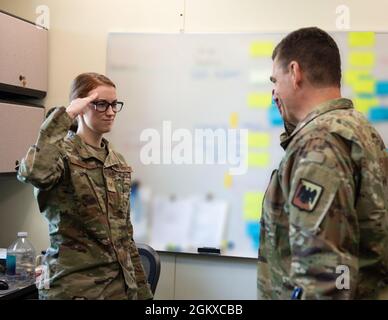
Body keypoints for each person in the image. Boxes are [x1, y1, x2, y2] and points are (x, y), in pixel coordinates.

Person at [257, 27, 388, 300]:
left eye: (275, 80)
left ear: (295, 72)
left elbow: (325, 277)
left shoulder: (319, 145)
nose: (273, 93)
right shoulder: (361, 129)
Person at [17, 72, 153, 300]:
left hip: (119, 289)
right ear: (81, 107)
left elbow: (124, 236)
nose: (110, 112)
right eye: (101, 104)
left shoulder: (116, 161)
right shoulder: (61, 154)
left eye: (113, 105)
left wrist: (142, 292)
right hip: (75, 289)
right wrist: (67, 114)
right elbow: (34, 173)